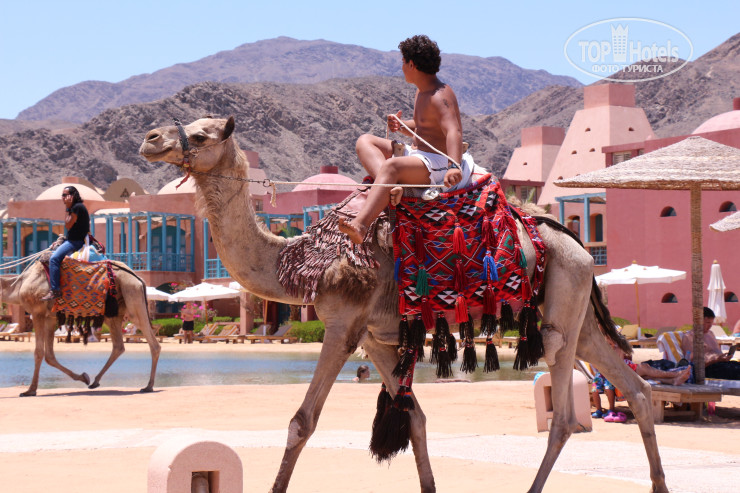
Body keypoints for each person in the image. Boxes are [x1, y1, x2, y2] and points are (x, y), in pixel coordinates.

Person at [338, 34, 466, 244]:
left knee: (391, 166)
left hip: (438, 163)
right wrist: (402, 126)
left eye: (403, 62)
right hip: (418, 155)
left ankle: (361, 226)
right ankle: (392, 188)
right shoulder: (422, 92)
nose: (402, 67)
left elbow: (454, 131)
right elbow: (424, 127)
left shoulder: (440, 95)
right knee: (365, 141)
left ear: (412, 64)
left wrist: (454, 166)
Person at [41, 186, 90, 301]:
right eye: (62, 195)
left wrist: (68, 207)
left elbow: (68, 225)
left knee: (54, 259)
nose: (62, 197)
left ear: (72, 196)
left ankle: (55, 290)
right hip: (71, 240)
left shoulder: (77, 207)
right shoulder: (75, 207)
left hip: (75, 242)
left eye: (65, 195)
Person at [681, 307, 740, 380]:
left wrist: (724, 357)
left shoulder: (710, 334)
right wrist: (715, 359)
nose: (710, 326)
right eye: (708, 323)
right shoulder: (689, 337)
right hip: (707, 369)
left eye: (711, 323)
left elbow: (717, 353)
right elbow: (693, 363)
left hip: (722, 365)